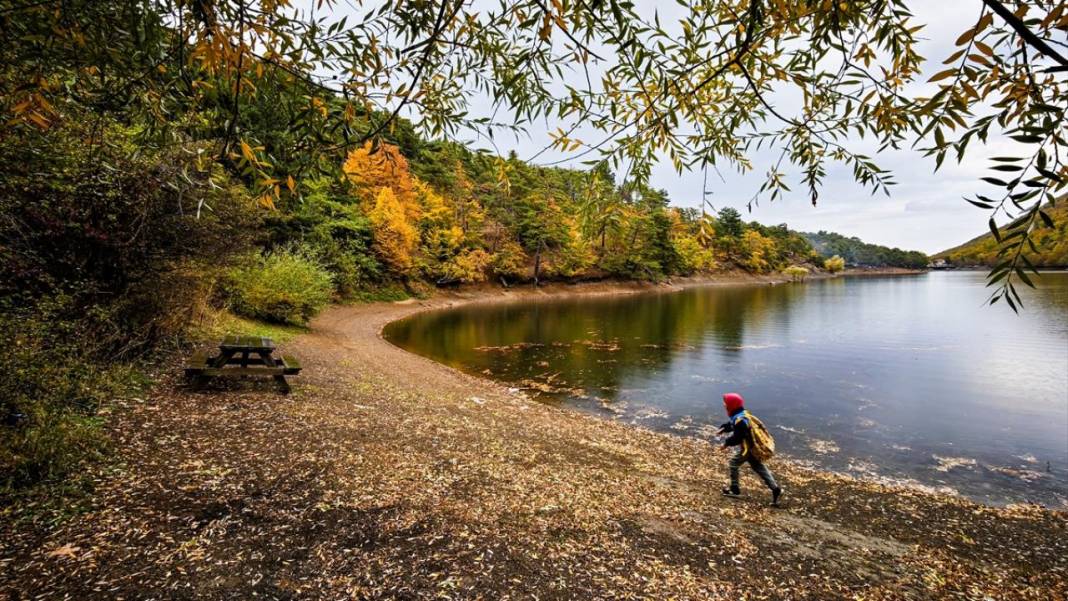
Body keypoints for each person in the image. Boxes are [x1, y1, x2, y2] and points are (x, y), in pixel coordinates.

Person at [717, 392, 783, 506]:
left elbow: (738, 436)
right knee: (758, 467)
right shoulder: (742, 414)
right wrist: (724, 428)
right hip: (753, 448)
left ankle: (735, 490)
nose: (724, 405)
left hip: (747, 449)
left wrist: (727, 443)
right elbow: (734, 425)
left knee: (733, 463)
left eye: (726, 403)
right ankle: (776, 489)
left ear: (732, 405)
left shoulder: (739, 420)